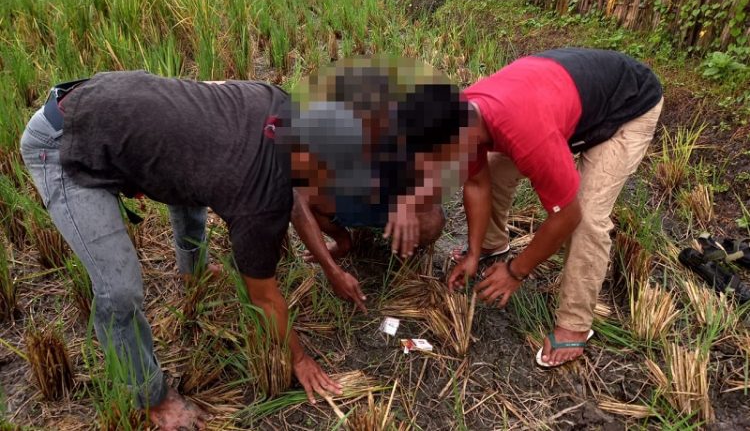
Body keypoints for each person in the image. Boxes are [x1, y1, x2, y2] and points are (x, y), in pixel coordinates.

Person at [19, 71, 346, 431]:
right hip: (62, 142)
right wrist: (298, 358)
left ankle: (195, 269)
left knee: (197, 172)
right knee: (120, 290)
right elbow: (265, 299)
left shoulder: (276, 102)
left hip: (104, 102)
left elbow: (209, 92)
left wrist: (332, 263)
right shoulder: (260, 201)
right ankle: (150, 397)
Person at [447, 48, 663, 367]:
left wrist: (515, 270)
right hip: (569, 100)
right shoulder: (462, 118)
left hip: (628, 106)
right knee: (492, 169)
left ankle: (574, 323)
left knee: (588, 215)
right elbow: (477, 183)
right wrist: (474, 253)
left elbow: (567, 216)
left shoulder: (526, 135)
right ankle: (493, 246)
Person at [286, 58, 470, 311]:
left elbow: (437, 173)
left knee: (431, 219)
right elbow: (296, 198)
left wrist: (407, 202)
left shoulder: (412, 124)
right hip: (347, 197)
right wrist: (332, 270)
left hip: (392, 198)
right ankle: (344, 241)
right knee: (307, 194)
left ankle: (404, 248)